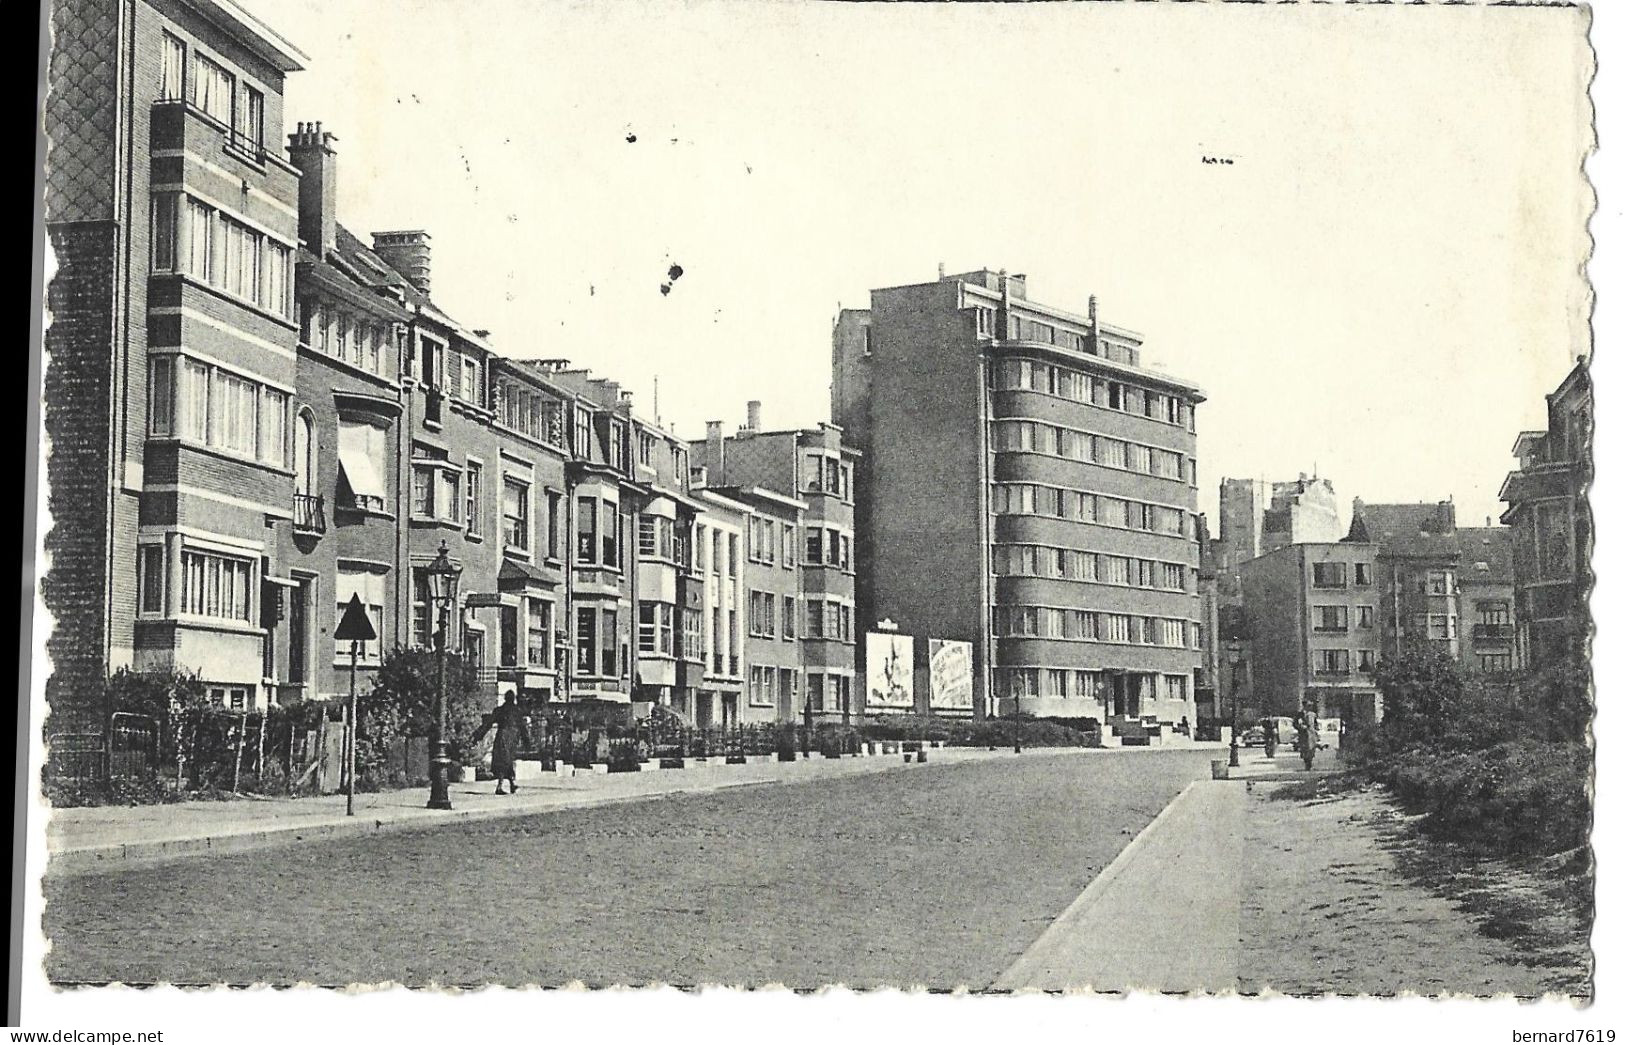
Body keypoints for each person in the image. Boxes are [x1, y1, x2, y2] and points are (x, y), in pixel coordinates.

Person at [472, 690, 533, 795]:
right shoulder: (517, 711)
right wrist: (527, 742)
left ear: (505, 698)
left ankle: (510, 784)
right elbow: (523, 728)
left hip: (502, 737)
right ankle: (502, 786)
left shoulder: (500, 710)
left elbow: (488, 724)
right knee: (506, 760)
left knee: (503, 760)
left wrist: (477, 736)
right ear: (513, 699)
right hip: (512, 739)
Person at [1295, 701, 1319, 770]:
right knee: (1305, 749)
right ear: (1304, 706)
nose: (1309, 707)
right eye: (1308, 706)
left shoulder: (1313, 714)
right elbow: (1295, 723)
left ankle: (1310, 762)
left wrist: (1316, 728)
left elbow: (1315, 724)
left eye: (1310, 706)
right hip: (1303, 734)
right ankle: (1307, 763)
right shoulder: (1300, 714)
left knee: (1312, 749)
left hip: (1311, 734)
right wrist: (1300, 727)